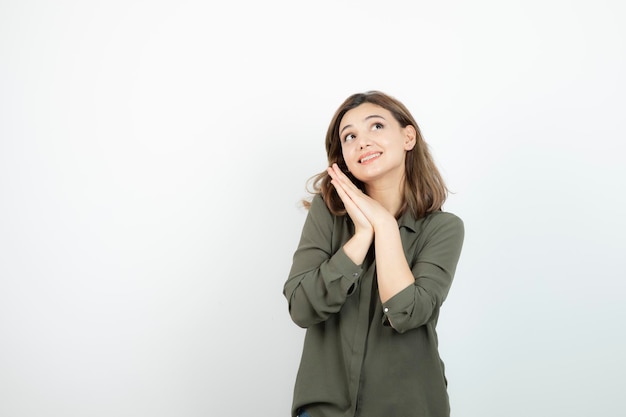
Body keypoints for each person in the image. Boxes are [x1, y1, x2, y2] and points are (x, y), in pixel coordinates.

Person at [283, 90, 465, 417]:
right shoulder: (327, 214)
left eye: (376, 126)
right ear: (343, 155)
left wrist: (385, 226)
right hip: (324, 410)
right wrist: (364, 234)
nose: (362, 141)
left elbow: (406, 313)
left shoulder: (444, 229)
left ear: (408, 136)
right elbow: (301, 307)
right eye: (349, 136)